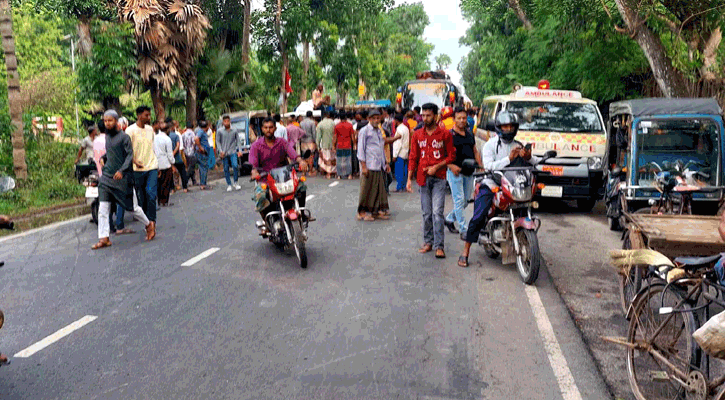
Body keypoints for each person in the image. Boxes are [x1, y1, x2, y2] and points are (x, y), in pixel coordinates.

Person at [457, 111, 541, 267]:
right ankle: (465, 251)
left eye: (511, 126)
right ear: (499, 127)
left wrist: (528, 157)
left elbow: (535, 163)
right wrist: (508, 159)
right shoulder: (490, 145)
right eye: (505, 126)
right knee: (479, 214)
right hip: (492, 183)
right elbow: (488, 166)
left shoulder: (518, 145)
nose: (508, 129)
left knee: (527, 203)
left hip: (512, 184)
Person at [91, 110, 155, 250]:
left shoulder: (124, 137)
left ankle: (148, 224)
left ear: (116, 121)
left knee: (133, 208)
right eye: (105, 121)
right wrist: (104, 158)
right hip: (107, 178)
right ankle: (104, 238)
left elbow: (129, 155)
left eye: (110, 121)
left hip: (122, 179)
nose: (107, 123)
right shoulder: (107, 137)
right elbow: (112, 152)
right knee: (103, 208)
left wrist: (121, 170)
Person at [407, 103, 456, 259]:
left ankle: (439, 246)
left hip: (439, 178)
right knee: (426, 213)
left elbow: (451, 156)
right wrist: (409, 178)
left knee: (437, 213)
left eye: (428, 115)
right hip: (422, 178)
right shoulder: (417, 135)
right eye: (423, 115)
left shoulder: (445, 134)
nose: (425, 118)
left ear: (436, 116)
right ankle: (428, 242)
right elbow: (413, 156)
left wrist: (437, 166)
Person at [249, 118, 309, 229]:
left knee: (301, 187)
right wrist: (254, 171)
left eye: (271, 127)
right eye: (266, 128)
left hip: (284, 178)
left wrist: (300, 161)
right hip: (265, 180)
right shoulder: (256, 146)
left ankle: (302, 213)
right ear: (262, 129)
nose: (268, 130)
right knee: (260, 196)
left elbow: (293, 154)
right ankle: (268, 222)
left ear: (275, 128)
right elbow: (253, 164)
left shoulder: (282, 142)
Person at [445, 107, 481, 237]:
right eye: (459, 118)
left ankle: (449, 218)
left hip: (469, 171)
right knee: (459, 200)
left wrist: (481, 166)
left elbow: (475, 151)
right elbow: (442, 155)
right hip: (455, 172)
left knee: (465, 201)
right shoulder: (449, 135)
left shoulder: (470, 134)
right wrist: (450, 166)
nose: (461, 120)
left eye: (464, 118)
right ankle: (463, 229)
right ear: (454, 119)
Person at [126, 106, 159, 226]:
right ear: (139, 116)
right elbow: (126, 150)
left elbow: (152, 147)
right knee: (142, 198)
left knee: (151, 194)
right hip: (137, 169)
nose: (149, 118)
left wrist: (158, 165)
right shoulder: (130, 131)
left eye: (149, 115)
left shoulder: (150, 130)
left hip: (152, 166)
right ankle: (147, 223)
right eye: (146, 115)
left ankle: (152, 222)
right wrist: (134, 161)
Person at [357, 109, 391, 221]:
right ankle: (363, 212)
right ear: (369, 119)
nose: (376, 120)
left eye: (378, 118)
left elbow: (381, 148)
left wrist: (385, 163)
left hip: (378, 165)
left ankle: (375, 211)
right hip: (369, 165)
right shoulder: (364, 131)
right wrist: (363, 166)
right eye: (374, 118)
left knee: (378, 190)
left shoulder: (378, 131)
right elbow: (361, 149)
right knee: (367, 190)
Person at [216, 115, 242, 192]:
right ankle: (229, 184)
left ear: (230, 121)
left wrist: (240, 150)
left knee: (235, 165)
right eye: (225, 121)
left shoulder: (234, 130)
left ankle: (236, 182)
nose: (226, 123)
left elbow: (238, 140)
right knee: (226, 168)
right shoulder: (219, 131)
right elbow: (217, 141)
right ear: (223, 122)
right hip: (224, 153)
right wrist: (220, 151)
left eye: (228, 121)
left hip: (232, 151)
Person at [155, 121, 175, 207]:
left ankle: (159, 200)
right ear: (167, 130)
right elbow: (170, 154)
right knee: (166, 183)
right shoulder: (167, 139)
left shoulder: (154, 137)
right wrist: (173, 162)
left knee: (159, 183)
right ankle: (165, 201)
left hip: (156, 163)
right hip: (166, 163)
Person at [167, 118, 189, 193]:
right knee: (183, 172)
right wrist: (174, 153)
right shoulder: (176, 135)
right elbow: (178, 146)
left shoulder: (166, 136)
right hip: (177, 157)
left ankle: (172, 189)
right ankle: (185, 187)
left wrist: (170, 154)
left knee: (170, 174)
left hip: (169, 158)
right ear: (173, 127)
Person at [392, 113, 411, 192]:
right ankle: (403, 186)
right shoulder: (406, 128)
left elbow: (398, 143)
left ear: (396, 121)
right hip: (405, 151)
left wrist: (394, 155)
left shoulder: (399, 129)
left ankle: (399, 187)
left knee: (399, 170)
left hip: (399, 152)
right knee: (404, 170)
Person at [334, 112, 355, 179]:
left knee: (339, 160)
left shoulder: (337, 126)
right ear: (346, 118)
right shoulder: (350, 125)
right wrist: (354, 144)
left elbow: (335, 137)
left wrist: (333, 146)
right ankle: (349, 175)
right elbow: (352, 136)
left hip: (339, 145)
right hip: (348, 145)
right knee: (348, 160)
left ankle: (339, 175)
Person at [316, 110, 336, 178]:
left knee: (326, 159)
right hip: (333, 144)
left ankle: (328, 173)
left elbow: (318, 137)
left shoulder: (320, 124)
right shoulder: (333, 123)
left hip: (324, 144)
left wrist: (318, 147)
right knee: (332, 158)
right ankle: (333, 172)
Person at [195, 120, 213, 190]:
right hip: (202, 153)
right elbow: (196, 139)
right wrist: (200, 148)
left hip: (202, 152)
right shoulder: (201, 131)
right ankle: (203, 184)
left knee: (202, 168)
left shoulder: (200, 131)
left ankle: (203, 183)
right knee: (204, 168)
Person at [299, 111, 317, 176]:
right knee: (311, 157)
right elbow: (314, 133)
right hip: (310, 141)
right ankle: (310, 171)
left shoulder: (301, 123)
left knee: (304, 157)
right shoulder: (312, 123)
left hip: (303, 141)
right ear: (311, 115)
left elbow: (300, 133)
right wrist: (315, 141)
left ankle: (303, 172)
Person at [182, 122, 198, 187]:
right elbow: (194, 142)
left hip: (185, 152)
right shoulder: (192, 134)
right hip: (191, 152)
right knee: (191, 167)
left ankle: (193, 180)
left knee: (189, 166)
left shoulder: (183, 134)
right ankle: (186, 180)